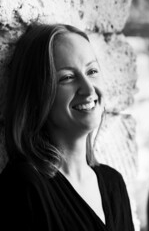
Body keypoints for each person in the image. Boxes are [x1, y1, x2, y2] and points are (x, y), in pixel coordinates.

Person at [0, 23, 135, 231]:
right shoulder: (22, 186)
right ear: (37, 95)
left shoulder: (112, 183)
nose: (89, 89)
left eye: (92, 71)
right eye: (68, 77)